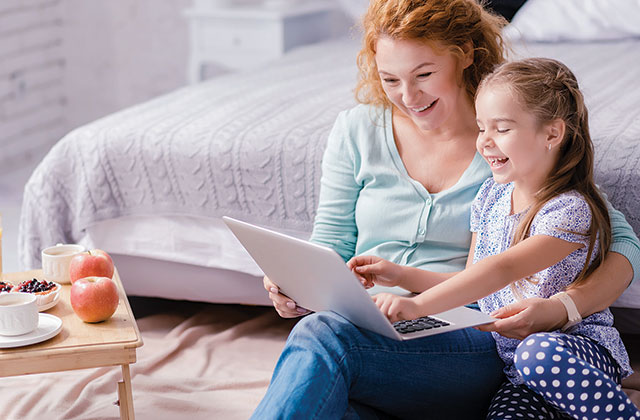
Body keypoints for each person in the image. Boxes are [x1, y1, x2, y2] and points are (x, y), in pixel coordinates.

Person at [254, 0, 640, 418]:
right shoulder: (356, 130)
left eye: (424, 74)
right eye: (389, 79)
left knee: (324, 337)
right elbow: (330, 243)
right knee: (332, 386)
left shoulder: (513, 145)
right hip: (373, 328)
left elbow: (615, 239)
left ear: (465, 55)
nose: (408, 96)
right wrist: (297, 286)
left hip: (465, 336)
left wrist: (562, 308)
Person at [349, 57, 638, 420]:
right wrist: (401, 275)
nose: (484, 142)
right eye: (481, 127)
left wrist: (419, 308)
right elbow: (475, 281)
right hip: (514, 367)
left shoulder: (569, 210)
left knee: (539, 354)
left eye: (500, 129)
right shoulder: (490, 197)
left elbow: (502, 269)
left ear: (552, 133)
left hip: (571, 350)